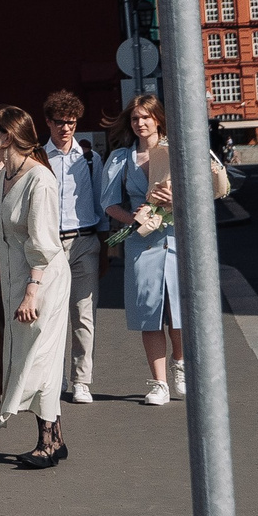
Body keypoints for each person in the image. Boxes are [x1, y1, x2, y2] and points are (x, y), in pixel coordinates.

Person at [0, 108, 69, 468]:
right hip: (16, 280)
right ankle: (56, 439)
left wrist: (32, 292)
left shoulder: (40, 179)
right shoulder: (5, 178)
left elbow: (43, 243)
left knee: (39, 359)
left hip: (43, 281)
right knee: (27, 355)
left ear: (7, 137)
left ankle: (47, 443)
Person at [101, 95, 184, 406]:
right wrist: (133, 220)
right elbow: (109, 203)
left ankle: (180, 363)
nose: (140, 123)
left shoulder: (175, 152)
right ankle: (159, 383)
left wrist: (177, 200)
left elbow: (201, 191)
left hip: (175, 238)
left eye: (146, 117)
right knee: (149, 313)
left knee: (178, 310)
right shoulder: (121, 158)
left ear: (158, 119)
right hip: (141, 243)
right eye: (135, 118)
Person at [38, 91, 106, 405]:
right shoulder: (38, 158)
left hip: (84, 240)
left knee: (83, 315)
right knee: (49, 314)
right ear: (48, 122)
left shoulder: (90, 159)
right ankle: (54, 377)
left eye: (71, 122)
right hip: (49, 243)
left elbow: (101, 204)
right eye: (59, 122)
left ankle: (81, 380)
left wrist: (105, 248)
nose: (65, 128)